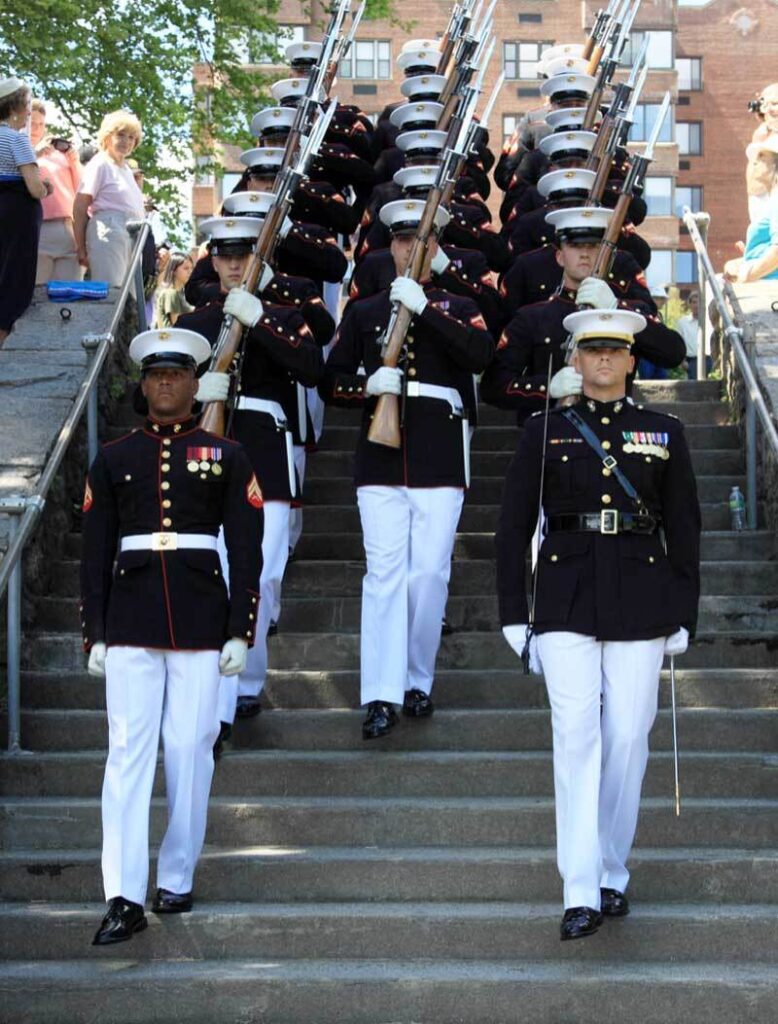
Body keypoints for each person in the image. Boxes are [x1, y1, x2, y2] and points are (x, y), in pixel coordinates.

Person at [496, 307, 700, 941]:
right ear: (575, 361)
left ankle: (612, 867)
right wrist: (513, 612)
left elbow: (685, 526)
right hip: (564, 595)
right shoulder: (544, 430)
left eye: (616, 351)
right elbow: (511, 528)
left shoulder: (663, 431)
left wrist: (683, 610)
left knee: (629, 737)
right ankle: (579, 887)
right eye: (593, 352)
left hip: (642, 593)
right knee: (576, 735)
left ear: (632, 360)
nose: (605, 361)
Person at [80, 326, 263, 945]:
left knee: (190, 749)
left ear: (195, 384)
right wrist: (95, 632)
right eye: (156, 374)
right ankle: (124, 894)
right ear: (143, 384)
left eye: (177, 374)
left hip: (200, 618)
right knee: (127, 754)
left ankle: (177, 874)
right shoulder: (114, 456)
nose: (165, 383)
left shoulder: (227, 456)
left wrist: (241, 629)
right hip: (131, 617)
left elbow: (246, 548)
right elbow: (93, 551)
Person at [320, 198, 494, 740]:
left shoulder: (458, 306)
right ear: (389, 246)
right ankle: (380, 693)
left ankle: (419, 677)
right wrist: (365, 387)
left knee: (429, 574)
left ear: (436, 248)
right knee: (384, 577)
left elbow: (480, 354)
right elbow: (331, 379)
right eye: (399, 240)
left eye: (420, 241)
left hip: (441, 453)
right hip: (380, 456)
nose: (408, 249)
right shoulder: (366, 311)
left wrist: (426, 310)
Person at [176, 216, 323, 737]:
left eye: (245, 255)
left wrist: (259, 322)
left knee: (263, 574)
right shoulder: (193, 324)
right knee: (208, 571)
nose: (236, 264)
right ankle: (211, 690)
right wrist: (198, 395)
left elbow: (312, 368)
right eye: (227, 255)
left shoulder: (285, 316)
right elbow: (155, 394)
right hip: (206, 457)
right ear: (213, 261)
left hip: (267, 453)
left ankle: (246, 684)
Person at [0, 77, 51, 346]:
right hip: (17, 217)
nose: (30, 111)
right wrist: (46, 188)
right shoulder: (16, 140)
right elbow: (33, 187)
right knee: (12, 278)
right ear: (16, 106)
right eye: (28, 105)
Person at [73, 109, 144, 286]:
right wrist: (81, 248)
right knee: (112, 294)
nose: (126, 141)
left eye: (131, 137)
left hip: (133, 234)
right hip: (109, 231)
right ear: (108, 136)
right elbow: (80, 207)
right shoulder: (99, 164)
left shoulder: (127, 170)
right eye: (121, 134)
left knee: (131, 299)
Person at [28, 98, 83, 284]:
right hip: (37, 227)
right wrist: (34, 154)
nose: (36, 129)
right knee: (34, 292)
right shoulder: (12, 150)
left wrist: (74, 161)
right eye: (32, 123)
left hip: (68, 228)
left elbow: (81, 188)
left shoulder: (58, 155)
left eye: (41, 124)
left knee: (69, 291)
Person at [154, 251, 194, 327]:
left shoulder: (179, 293)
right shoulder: (171, 293)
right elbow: (176, 323)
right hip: (171, 338)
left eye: (191, 268)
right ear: (174, 270)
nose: (190, 271)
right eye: (186, 268)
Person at [676, 291, 704, 379]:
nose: (697, 305)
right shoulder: (683, 322)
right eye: (694, 302)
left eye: (699, 302)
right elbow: (678, 343)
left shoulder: (707, 322)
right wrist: (682, 362)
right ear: (690, 304)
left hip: (707, 360)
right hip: (690, 361)